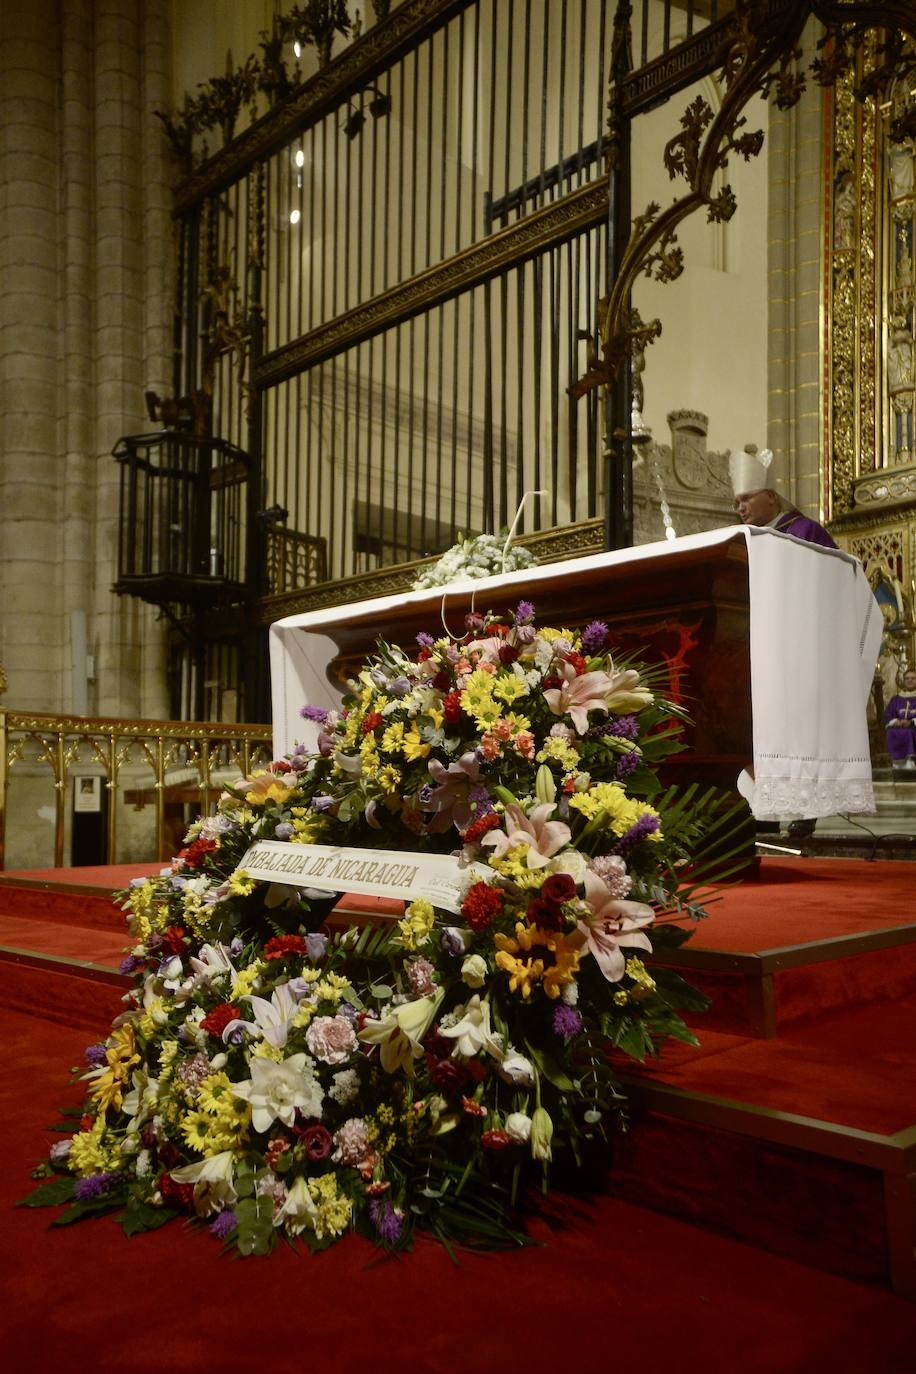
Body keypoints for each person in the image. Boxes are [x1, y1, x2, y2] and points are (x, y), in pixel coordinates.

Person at [729, 443, 839, 839]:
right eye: (737, 501)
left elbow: (831, 583)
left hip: (797, 649)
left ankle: (803, 810)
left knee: (796, 732)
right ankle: (766, 808)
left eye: (746, 499)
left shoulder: (806, 532)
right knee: (761, 733)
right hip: (762, 652)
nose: (740, 507)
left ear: (770, 496)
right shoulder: (749, 538)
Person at [729, 444, 838, 549]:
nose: (741, 509)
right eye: (737, 504)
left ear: (771, 496)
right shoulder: (743, 542)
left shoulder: (804, 531)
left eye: (746, 499)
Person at [885, 667, 916, 770]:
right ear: (904, 680)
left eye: (913, 678)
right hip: (899, 727)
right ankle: (897, 765)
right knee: (891, 732)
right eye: (907, 678)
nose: (910, 680)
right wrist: (897, 721)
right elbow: (888, 715)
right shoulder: (896, 699)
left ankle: (910, 765)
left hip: (913, 728)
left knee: (909, 732)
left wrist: (912, 721)